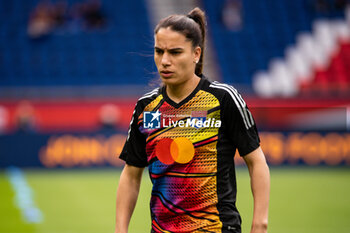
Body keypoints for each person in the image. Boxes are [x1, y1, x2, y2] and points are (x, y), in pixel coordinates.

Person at [115, 7, 270, 233]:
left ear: (196, 54)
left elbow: (257, 162)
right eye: (159, 51)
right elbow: (131, 174)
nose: (165, 61)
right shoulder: (146, 107)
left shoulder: (223, 99)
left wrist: (260, 224)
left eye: (175, 52)